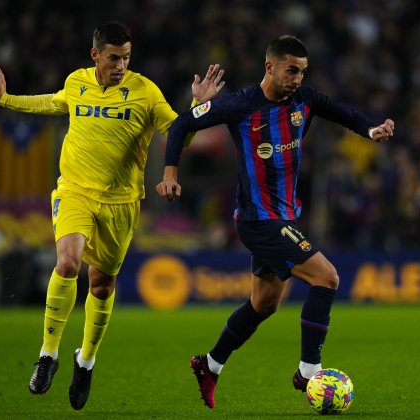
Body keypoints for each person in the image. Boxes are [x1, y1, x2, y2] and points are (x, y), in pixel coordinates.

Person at [0, 21, 225, 410]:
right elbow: (51, 102)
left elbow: (180, 134)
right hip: (74, 192)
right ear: (96, 54)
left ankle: (85, 361)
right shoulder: (76, 82)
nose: (120, 65)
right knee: (67, 263)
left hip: (121, 204)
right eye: (114, 57)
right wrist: (6, 99)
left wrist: (198, 107)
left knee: (101, 285)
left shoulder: (145, 91)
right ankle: (48, 355)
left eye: (126, 58)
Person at [156, 35, 394, 409]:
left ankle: (210, 364)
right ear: (270, 66)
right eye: (292, 70)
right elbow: (183, 123)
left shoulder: (305, 100)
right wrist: (170, 173)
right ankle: (309, 371)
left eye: (303, 71)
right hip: (257, 219)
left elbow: (343, 113)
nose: (298, 78)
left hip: (285, 217)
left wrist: (370, 129)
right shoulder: (239, 105)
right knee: (327, 277)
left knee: (264, 304)